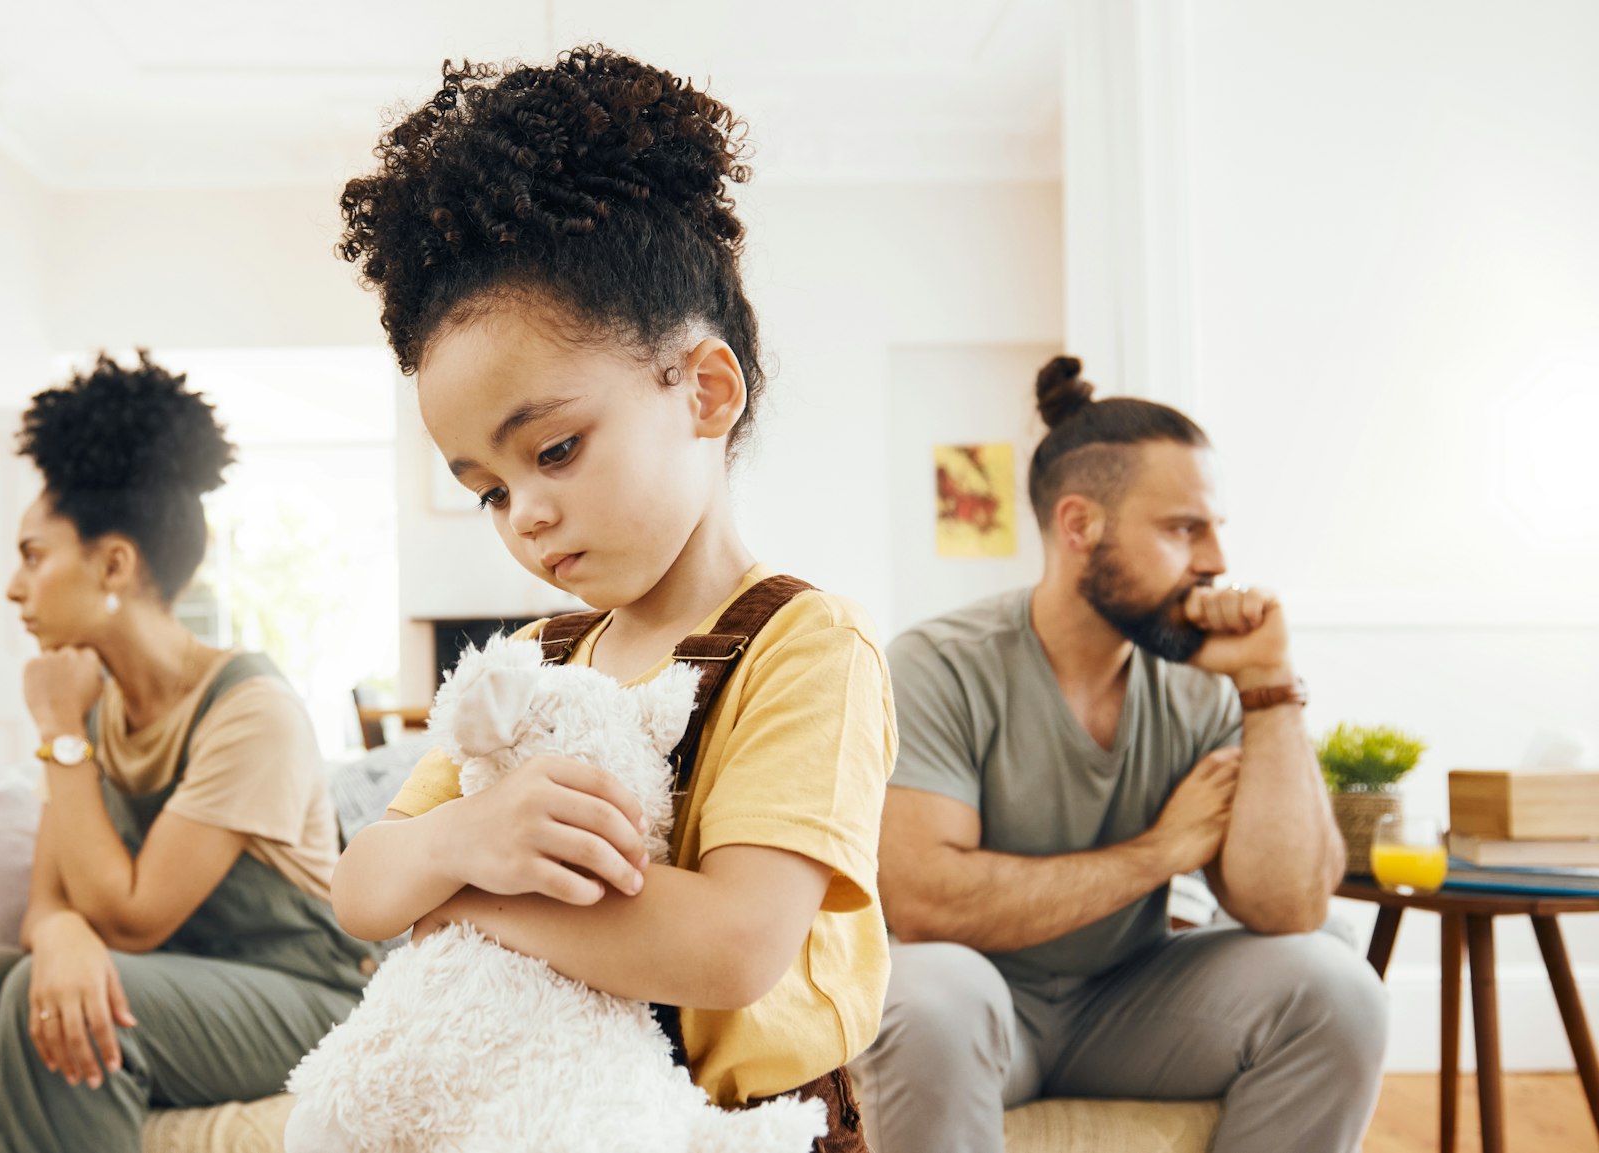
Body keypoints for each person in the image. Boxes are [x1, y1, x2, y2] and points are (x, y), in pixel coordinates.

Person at [325, 47, 895, 1150]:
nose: (522, 514)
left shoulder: (807, 646)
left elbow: (730, 943)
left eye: (553, 448)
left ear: (704, 390)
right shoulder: (533, 660)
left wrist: (461, 891)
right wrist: (459, 841)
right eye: (487, 489)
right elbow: (361, 885)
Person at [853, 356, 1388, 1153]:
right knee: (928, 990)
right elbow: (928, 904)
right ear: (1080, 527)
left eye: (1214, 529)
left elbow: (1289, 907)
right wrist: (1161, 853)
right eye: (1183, 529)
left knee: (1341, 986)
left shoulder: (1205, 683)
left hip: (1134, 1005)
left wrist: (1270, 685)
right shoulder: (937, 663)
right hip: (985, 1003)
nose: (1214, 559)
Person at [0, 352, 375, 1153]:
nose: (15, 589)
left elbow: (130, 916)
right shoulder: (92, 710)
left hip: (306, 998)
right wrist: (60, 935)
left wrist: (57, 731)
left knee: (57, 1000)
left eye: (32, 555)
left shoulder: (249, 708)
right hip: (173, 984)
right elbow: (49, 904)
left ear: (114, 562)